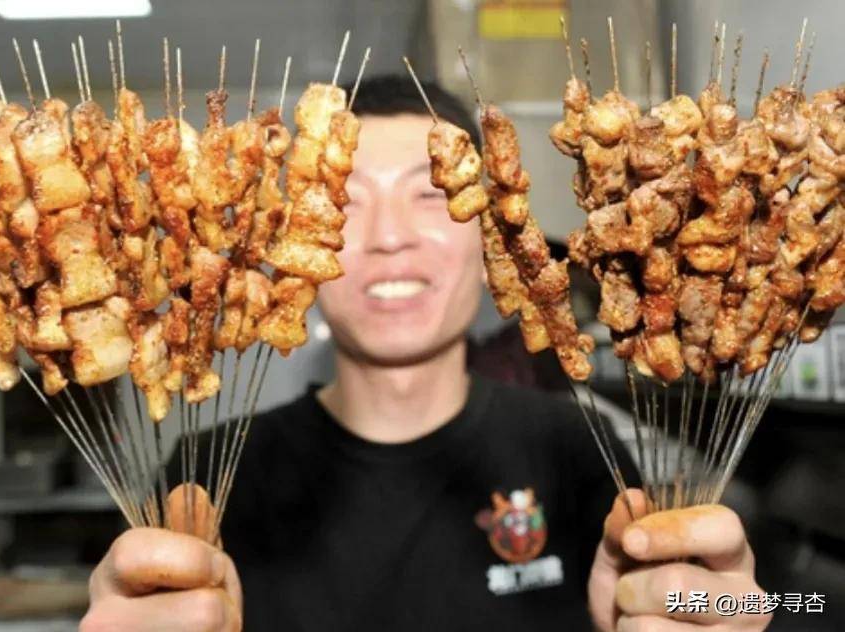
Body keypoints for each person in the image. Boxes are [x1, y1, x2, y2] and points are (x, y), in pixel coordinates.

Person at [82, 76, 770, 632]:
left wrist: (713, 610)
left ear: (490, 242)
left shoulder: (575, 449)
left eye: (432, 194)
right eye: (345, 203)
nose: (390, 237)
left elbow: (692, 599)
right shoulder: (207, 480)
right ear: (294, 246)